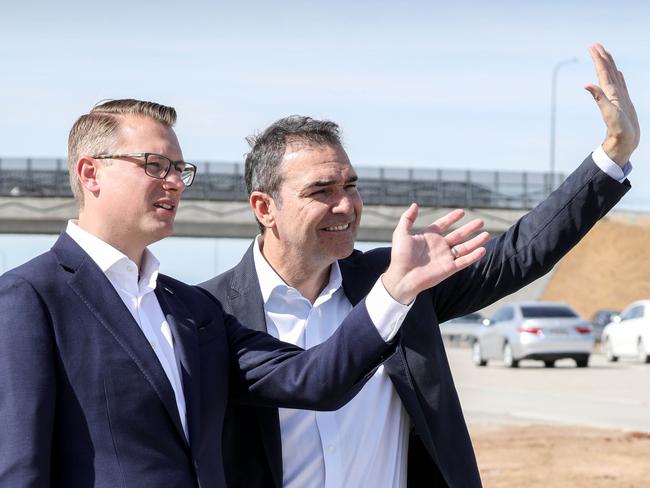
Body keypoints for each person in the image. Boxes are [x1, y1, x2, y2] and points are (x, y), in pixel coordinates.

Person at [199, 43, 639, 487]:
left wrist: (614, 153)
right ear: (264, 207)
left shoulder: (397, 281)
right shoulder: (207, 314)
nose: (346, 205)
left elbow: (518, 255)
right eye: (321, 191)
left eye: (350, 185)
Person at [0, 99, 490, 487]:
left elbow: (314, 379)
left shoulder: (189, 308)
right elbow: (19, 468)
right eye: (154, 165)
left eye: (179, 168)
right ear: (91, 174)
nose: (174, 182)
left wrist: (396, 289)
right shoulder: (30, 297)